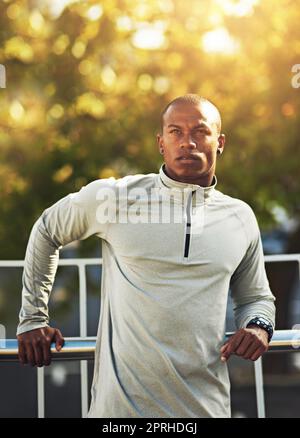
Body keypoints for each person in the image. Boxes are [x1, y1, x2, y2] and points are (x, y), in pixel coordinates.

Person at [17, 94, 276, 418]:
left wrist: (258, 326)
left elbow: (256, 298)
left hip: (205, 410)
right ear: (161, 143)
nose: (188, 142)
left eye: (200, 131)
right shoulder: (115, 198)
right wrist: (33, 318)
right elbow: (46, 230)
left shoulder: (240, 217)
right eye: (175, 132)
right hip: (120, 414)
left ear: (219, 141)